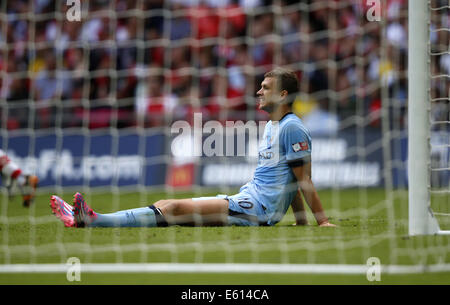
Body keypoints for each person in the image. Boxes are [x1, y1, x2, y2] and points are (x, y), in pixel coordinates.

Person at [50, 68, 335, 228]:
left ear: (283, 94)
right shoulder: (274, 125)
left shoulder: (292, 127)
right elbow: (290, 180)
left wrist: (320, 222)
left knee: (173, 207)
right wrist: (300, 223)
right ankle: (90, 218)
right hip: (248, 199)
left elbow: (303, 179)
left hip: (257, 209)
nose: (259, 91)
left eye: (265, 86)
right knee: (164, 204)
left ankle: (93, 220)